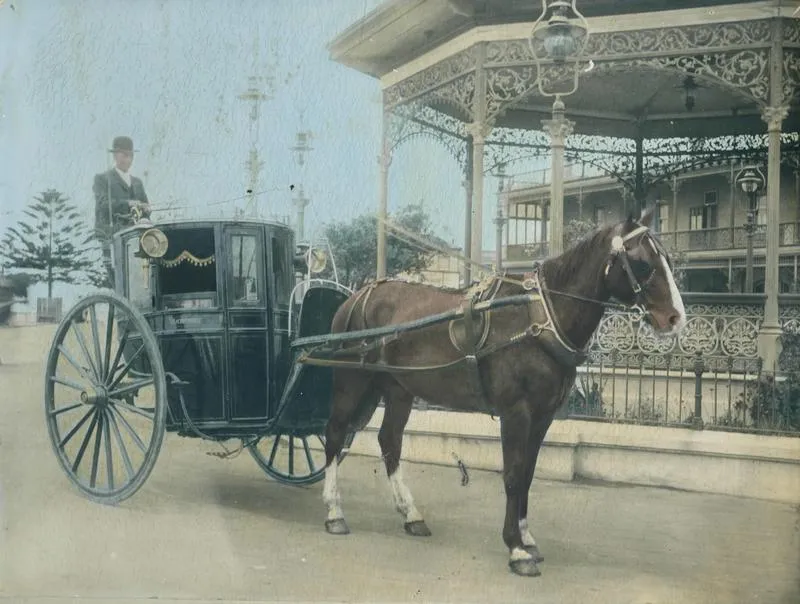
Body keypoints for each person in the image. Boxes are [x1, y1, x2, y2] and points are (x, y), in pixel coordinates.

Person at [93, 135, 152, 285]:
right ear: (115, 155)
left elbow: (146, 208)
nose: (128, 160)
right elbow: (102, 204)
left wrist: (146, 210)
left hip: (136, 239)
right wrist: (129, 203)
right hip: (113, 237)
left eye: (131, 156)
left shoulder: (137, 183)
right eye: (124, 155)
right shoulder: (103, 180)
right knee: (117, 281)